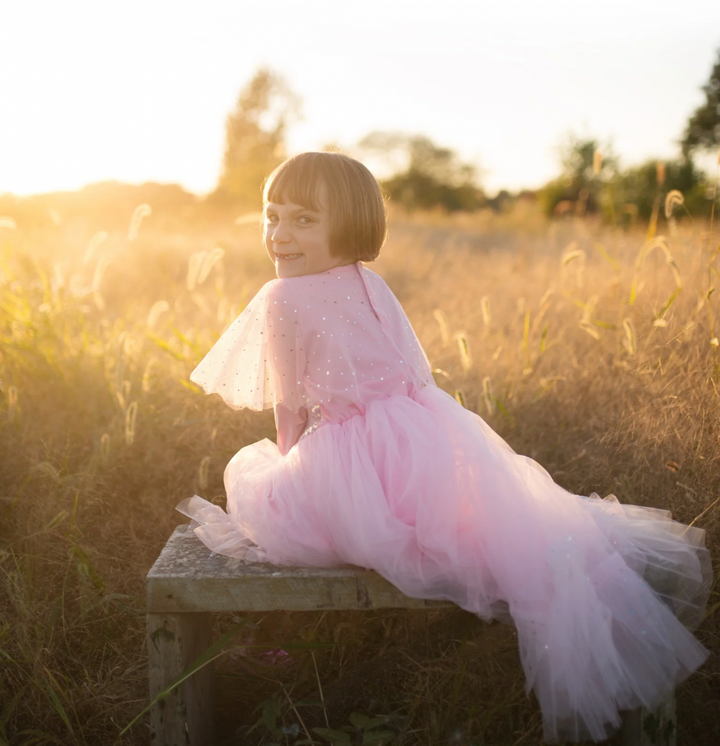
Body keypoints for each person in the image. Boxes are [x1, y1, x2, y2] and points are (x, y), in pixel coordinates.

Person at [177, 152, 711, 744]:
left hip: (349, 460)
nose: (279, 235)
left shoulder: (281, 298)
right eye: (272, 216)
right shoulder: (372, 283)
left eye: (304, 219)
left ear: (350, 222)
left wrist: (288, 469)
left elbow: (290, 410)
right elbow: (415, 375)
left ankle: (263, 643)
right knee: (503, 525)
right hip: (426, 438)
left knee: (260, 487)